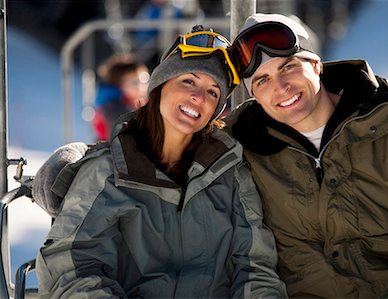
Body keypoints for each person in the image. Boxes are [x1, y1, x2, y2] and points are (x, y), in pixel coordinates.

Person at [34, 26, 287, 298]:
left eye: (213, 92)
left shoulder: (229, 173)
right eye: (188, 81)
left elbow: (254, 267)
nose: (199, 97)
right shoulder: (107, 172)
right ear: (160, 85)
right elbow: (70, 268)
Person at [224, 13, 388, 298]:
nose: (280, 88)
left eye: (289, 67)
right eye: (262, 80)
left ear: (316, 65)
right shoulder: (246, 149)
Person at [92, 54, 150, 141]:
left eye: (145, 80)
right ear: (119, 86)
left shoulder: (139, 101)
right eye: (134, 82)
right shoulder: (114, 108)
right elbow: (122, 139)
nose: (140, 86)